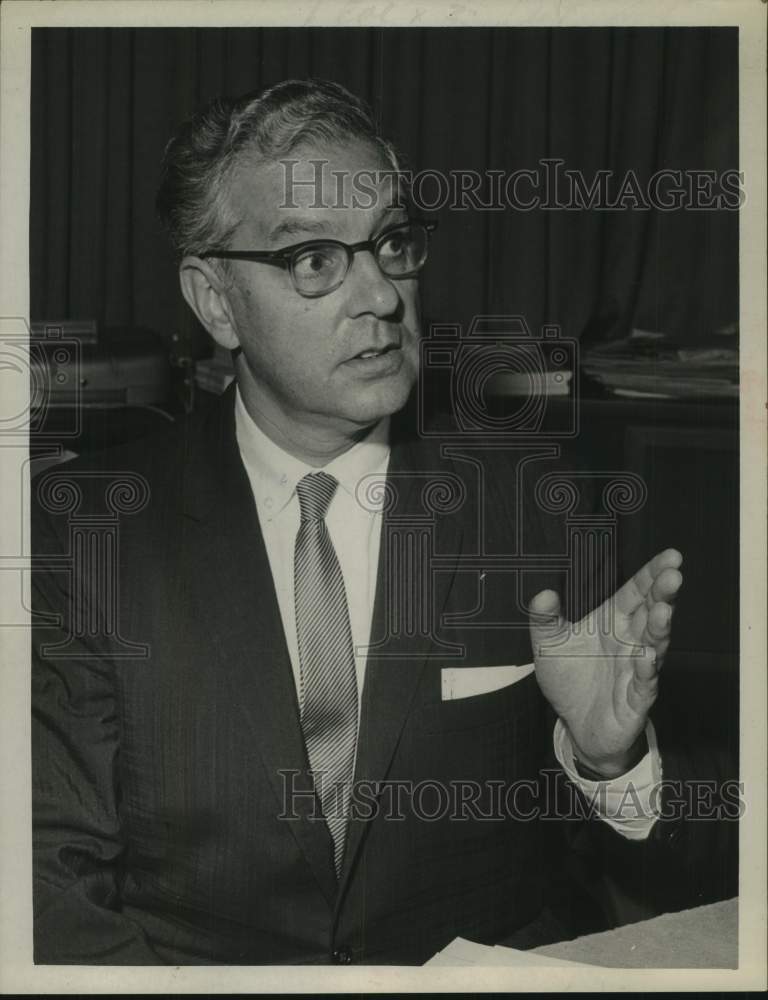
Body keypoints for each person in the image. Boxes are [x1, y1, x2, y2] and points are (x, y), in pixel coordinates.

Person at [32, 78, 715, 966]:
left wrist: (606, 763)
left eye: (391, 245)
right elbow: (50, 877)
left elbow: (638, 881)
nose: (384, 299)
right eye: (316, 259)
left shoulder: (538, 505)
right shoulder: (89, 533)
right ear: (214, 302)